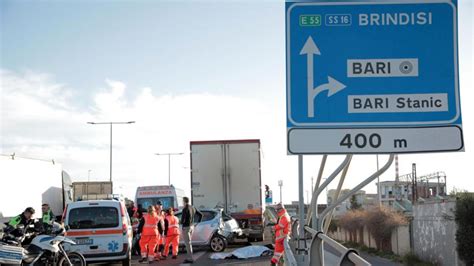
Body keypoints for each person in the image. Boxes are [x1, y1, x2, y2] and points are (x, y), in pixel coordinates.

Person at [180, 197, 201, 264]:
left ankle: (190, 258)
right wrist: (197, 222)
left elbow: (182, 220)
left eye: (182, 201)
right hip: (192, 226)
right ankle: (190, 257)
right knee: (189, 243)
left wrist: (180, 222)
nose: (182, 202)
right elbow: (200, 215)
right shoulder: (192, 207)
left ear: (184, 201)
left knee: (188, 243)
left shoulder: (185, 209)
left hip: (186, 227)